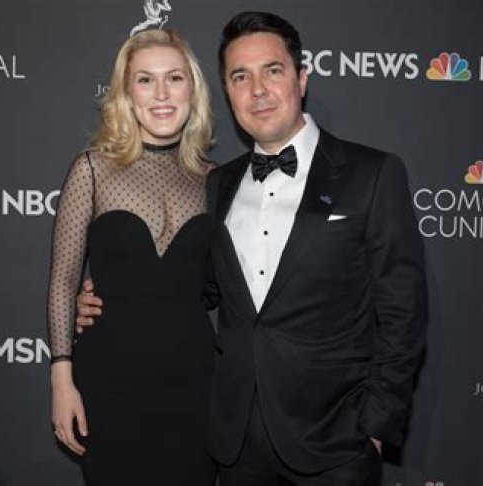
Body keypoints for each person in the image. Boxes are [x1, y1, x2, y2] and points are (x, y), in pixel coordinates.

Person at [78, 11, 427, 485]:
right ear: (227, 92)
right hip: (236, 445)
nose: (257, 90)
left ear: (301, 79)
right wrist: (112, 296)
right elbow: (196, 288)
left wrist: (377, 425)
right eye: (240, 76)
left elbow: (403, 310)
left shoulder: (372, 174)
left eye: (272, 70)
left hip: (336, 443)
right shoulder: (218, 184)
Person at [47, 29, 216, 485]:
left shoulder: (217, 180)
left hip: (195, 385)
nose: (161, 94)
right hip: (109, 381)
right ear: (126, 93)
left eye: (174, 78)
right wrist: (61, 380)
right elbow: (63, 281)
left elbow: (229, 286)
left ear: (193, 89)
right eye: (145, 80)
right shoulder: (92, 169)